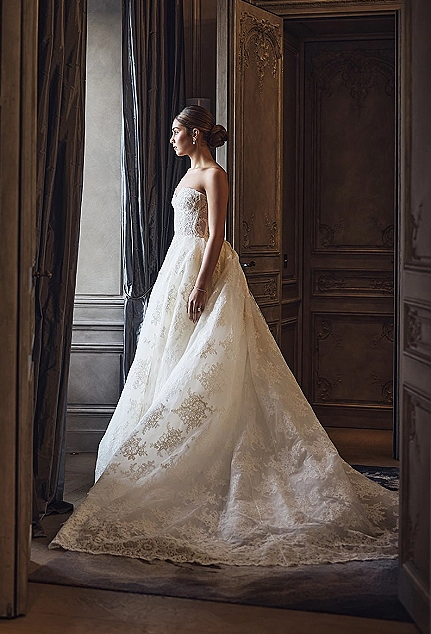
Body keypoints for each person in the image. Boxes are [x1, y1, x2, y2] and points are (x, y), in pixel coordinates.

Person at [50, 105, 397, 566]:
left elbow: (215, 235)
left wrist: (199, 284)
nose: (170, 139)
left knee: (210, 364)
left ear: (195, 134)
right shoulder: (190, 171)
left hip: (203, 274)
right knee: (170, 361)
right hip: (179, 267)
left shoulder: (214, 174)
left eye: (176, 132)